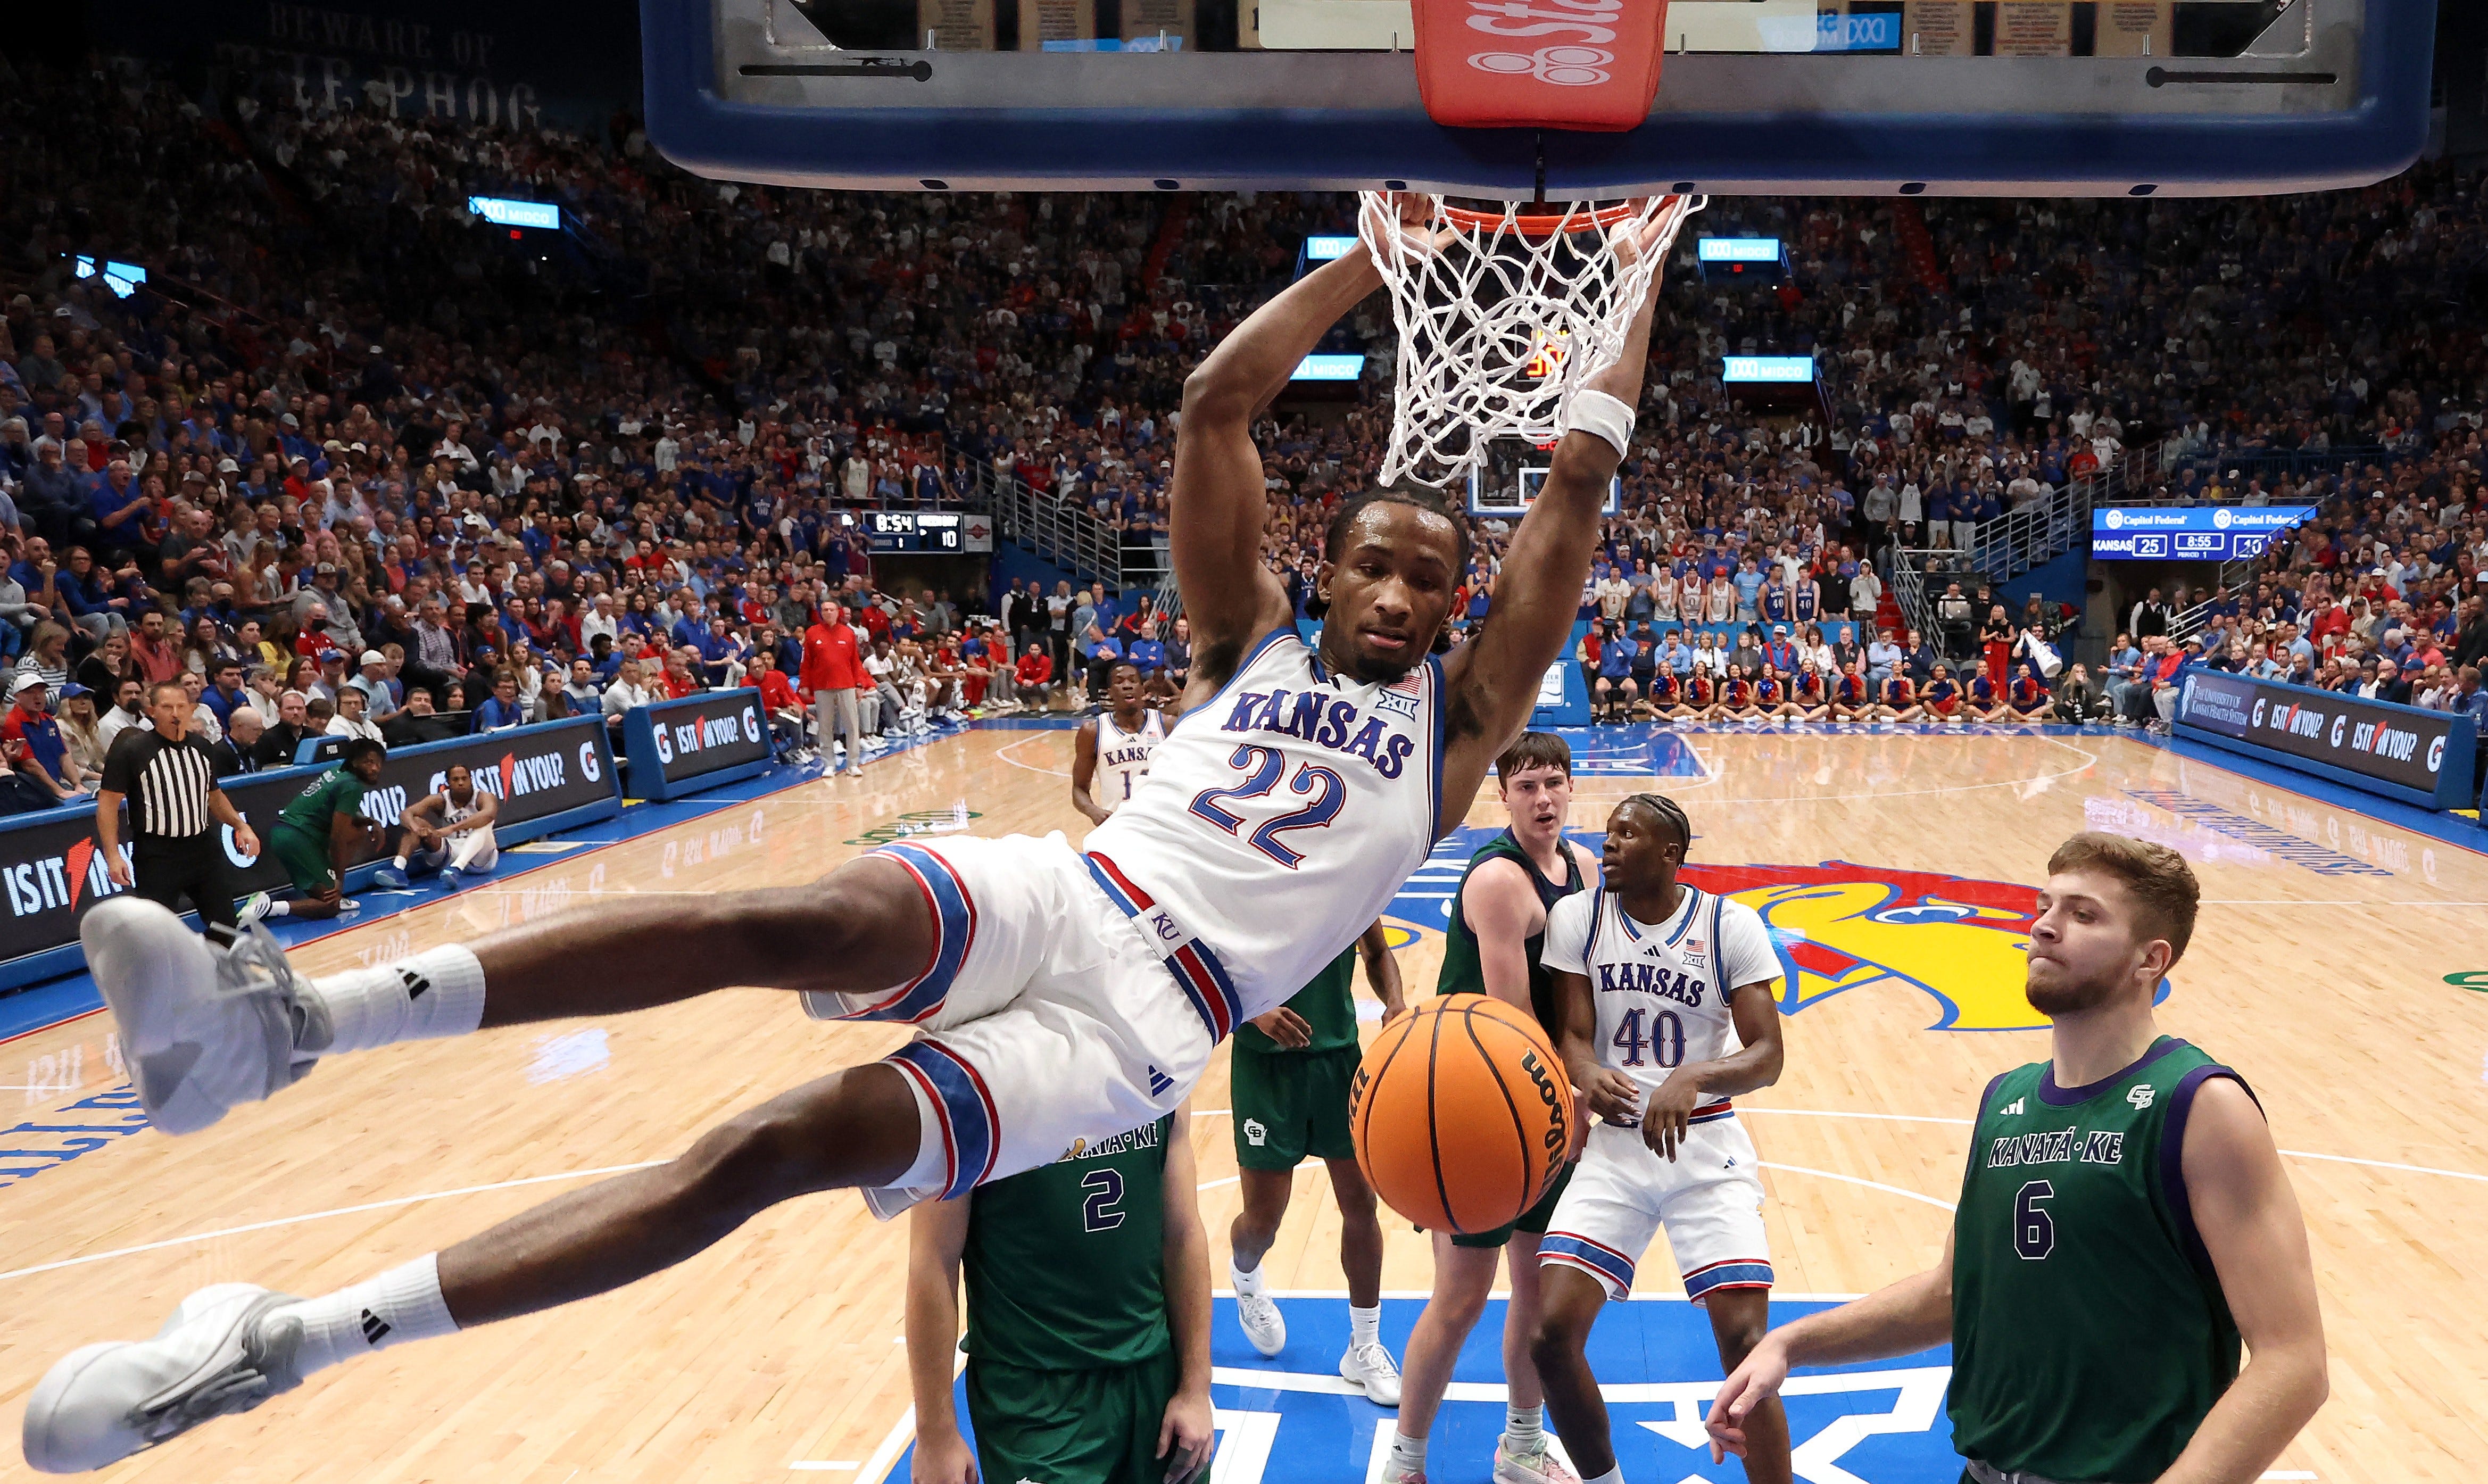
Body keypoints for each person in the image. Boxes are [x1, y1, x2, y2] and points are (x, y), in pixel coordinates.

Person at [38, 208, 1668, 1470]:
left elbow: (1579, 486)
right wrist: (1375, 261)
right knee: (793, 916)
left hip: (1135, 1033)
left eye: (1427, 579)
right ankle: (278, 1025)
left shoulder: (1460, 722)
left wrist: (1645, 259)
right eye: (1372, 561)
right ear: (1330, 567)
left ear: (1453, 607)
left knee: (770, 1147)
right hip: (1071, 889)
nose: (1396, 591)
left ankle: (280, 1346)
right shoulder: (1245, 637)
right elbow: (1210, 405)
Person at [1708, 834, 2327, 1484]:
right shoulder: (2006, 1099)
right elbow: (1953, 1293)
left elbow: (2293, 1361)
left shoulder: (2199, 1106)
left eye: (2082, 914)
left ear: (2150, 958)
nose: (2044, 926)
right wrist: (1789, 1343)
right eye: (2044, 906)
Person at [1534, 793, 1792, 1484]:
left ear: (1670, 853)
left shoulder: (1728, 924)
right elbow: (1574, 1035)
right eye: (1609, 832)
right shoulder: (1578, 917)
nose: (1608, 843)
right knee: (1550, 1336)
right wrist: (1586, 1072)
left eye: (1626, 833)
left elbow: (1767, 1055)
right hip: (1617, 1147)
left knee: (1746, 1344)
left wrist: (1695, 1075)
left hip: (1704, 1145)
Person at [1385, 733, 1601, 1484]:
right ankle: (1403, 1462)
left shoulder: (1584, 867)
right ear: (1501, 794)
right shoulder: (1499, 881)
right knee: (1460, 1297)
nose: (1543, 798)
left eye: (1554, 782)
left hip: (1538, 1097)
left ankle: (1521, 1447)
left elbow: (1584, 990)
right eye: (1527, 785)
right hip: (1475, 1107)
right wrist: (1571, 1103)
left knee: (1537, 1297)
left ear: (1571, 787)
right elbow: (1512, 1018)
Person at [907, 1105, 1211, 1484]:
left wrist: (1196, 1388)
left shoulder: (1161, 1077)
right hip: (1035, 1401)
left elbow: (1183, 1234)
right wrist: (935, 1435)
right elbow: (933, 1261)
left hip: (1154, 1378)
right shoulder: (967, 1097)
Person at [1228, 919, 1407, 1402]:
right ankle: (1245, 1275)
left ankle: (1364, 1345)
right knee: (1263, 1222)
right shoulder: (1248, 882)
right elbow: (1211, 965)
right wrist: (1254, 1013)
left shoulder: (1349, 882)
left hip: (1338, 1060)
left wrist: (1394, 1002)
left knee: (1361, 1204)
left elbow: (1377, 952)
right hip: (1265, 1067)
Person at [94, 679, 263, 943]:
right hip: (157, 854)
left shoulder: (202, 747)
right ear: (152, 711)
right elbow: (108, 804)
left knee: (226, 926)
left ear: (191, 709)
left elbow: (214, 796)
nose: (175, 713)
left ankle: (206, 964)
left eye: (181, 706)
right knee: (154, 935)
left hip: (202, 848)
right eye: (167, 707)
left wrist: (241, 826)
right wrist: (113, 856)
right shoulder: (132, 750)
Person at [240, 737, 388, 924]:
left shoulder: (337, 772)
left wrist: (371, 821)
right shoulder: (352, 786)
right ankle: (268, 907)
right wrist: (339, 882)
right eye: (368, 762)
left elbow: (338, 813)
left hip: (286, 833)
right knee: (330, 907)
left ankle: (326, 887)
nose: (375, 768)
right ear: (354, 762)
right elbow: (337, 838)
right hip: (299, 838)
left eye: (378, 763)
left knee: (359, 830)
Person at [373, 763, 501, 889]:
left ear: (471, 779)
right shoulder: (441, 800)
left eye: (464, 779)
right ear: (448, 782)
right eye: (456, 779)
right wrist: (416, 829)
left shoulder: (484, 797)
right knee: (415, 821)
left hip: (481, 858)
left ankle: (458, 867)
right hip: (451, 852)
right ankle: (398, 869)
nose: (461, 783)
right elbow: (405, 814)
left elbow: (489, 815)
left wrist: (451, 828)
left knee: (485, 823)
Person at [1073, 659, 1167, 824]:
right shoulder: (1092, 732)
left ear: (1142, 689)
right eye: (1119, 681)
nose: (1127, 686)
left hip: (1161, 824)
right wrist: (1093, 811)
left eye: (1133, 680)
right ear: (1110, 692)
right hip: (1119, 826)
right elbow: (1079, 789)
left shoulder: (1167, 725)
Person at [802, 601, 865, 770]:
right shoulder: (812, 633)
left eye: (832, 610)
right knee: (825, 727)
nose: (829, 613)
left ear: (838, 612)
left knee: (852, 725)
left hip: (846, 685)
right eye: (825, 610)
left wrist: (859, 684)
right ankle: (829, 764)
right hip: (822, 686)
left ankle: (853, 764)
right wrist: (805, 684)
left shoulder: (848, 633)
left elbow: (855, 662)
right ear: (821, 613)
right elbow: (806, 662)